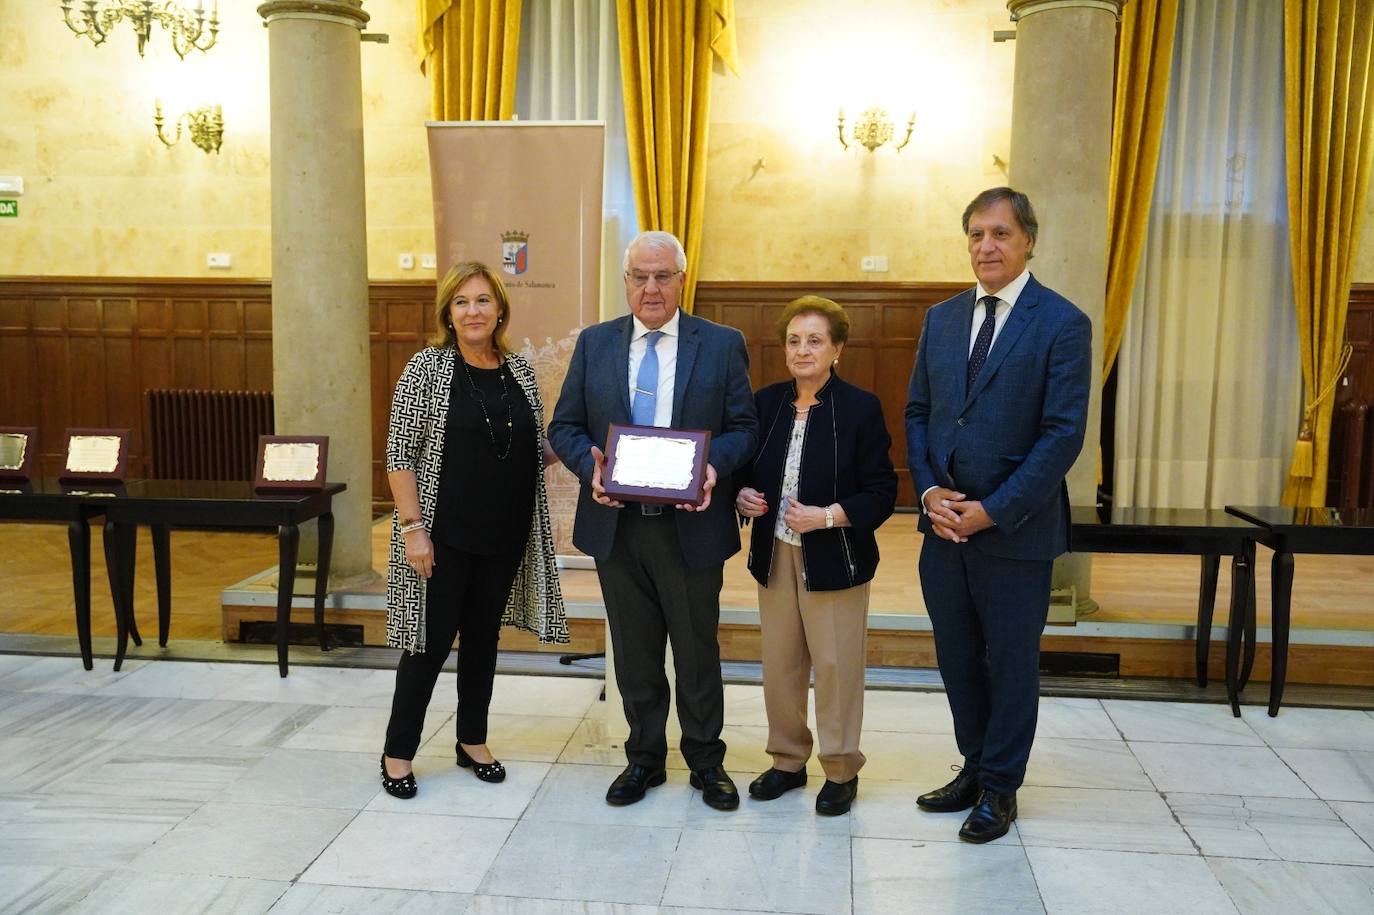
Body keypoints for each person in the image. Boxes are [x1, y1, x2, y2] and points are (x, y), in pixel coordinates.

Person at [904, 187, 1091, 842]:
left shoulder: (1062, 323)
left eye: (1001, 234)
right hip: (943, 528)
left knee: (1010, 661)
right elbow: (920, 414)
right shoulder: (942, 318)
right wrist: (929, 494)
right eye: (977, 234)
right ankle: (974, 765)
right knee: (957, 657)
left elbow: (1062, 435)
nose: (987, 246)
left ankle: (1000, 787)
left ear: (1028, 240)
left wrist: (992, 510)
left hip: (1015, 531)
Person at [548, 230, 758, 811]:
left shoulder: (720, 344)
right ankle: (643, 757)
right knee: (635, 651)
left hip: (690, 526)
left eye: (662, 276)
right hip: (618, 526)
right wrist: (587, 467)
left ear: (682, 280)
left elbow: (745, 427)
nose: (650, 288)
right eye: (639, 276)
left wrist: (714, 466)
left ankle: (706, 761)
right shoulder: (595, 344)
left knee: (696, 650)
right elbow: (563, 426)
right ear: (625, 282)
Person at [379, 260, 569, 799]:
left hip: (504, 534)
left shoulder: (520, 370)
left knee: (483, 641)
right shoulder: (426, 370)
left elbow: (531, 450)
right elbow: (400, 458)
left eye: (483, 300)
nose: (473, 311)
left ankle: (472, 741)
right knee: (428, 645)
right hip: (442, 536)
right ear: (448, 312)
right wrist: (414, 529)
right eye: (461, 302)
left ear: (500, 308)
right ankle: (398, 753)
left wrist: (589, 450)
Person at [734, 295, 896, 816]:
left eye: (815, 340)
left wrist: (827, 516)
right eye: (794, 340)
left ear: (837, 348)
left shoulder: (860, 407)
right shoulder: (765, 403)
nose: (802, 350)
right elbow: (743, 470)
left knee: (835, 666)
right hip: (775, 552)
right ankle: (786, 760)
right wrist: (742, 494)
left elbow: (880, 491)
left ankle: (841, 768)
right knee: (780, 665)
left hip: (836, 557)